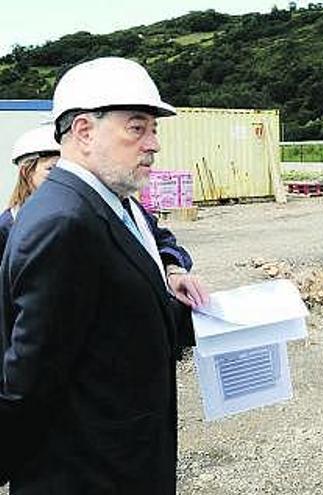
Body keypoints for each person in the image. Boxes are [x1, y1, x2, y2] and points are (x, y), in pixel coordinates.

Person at [0, 57, 206, 493]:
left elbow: (111, 325)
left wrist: (201, 315)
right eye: (137, 127)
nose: (153, 144)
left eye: (154, 130)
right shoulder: (65, 222)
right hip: (87, 475)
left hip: (123, 461)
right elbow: (28, 381)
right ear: (84, 132)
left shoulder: (116, 204)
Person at [1, 124, 199, 302]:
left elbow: (160, 241)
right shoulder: (10, 227)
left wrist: (173, 269)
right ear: (27, 174)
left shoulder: (122, 207)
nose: (63, 178)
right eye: (52, 169)